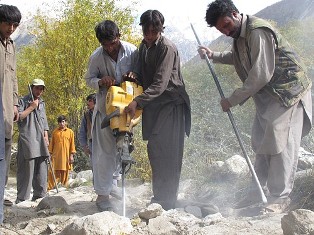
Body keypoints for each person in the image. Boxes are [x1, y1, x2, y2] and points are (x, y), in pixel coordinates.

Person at [197, 0, 312, 212]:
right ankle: (257, 193)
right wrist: (213, 56)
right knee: (261, 142)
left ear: (235, 14)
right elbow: (239, 57)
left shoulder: (257, 31)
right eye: (220, 29)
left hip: (287, 93)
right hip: (269, 97)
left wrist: (231, 100)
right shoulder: (240, 35)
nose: (225, 31)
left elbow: (260, 74)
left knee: (280, 145)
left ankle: (279, 198)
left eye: (226, 25)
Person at [124, 10, 191, 210]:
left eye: (155, 30)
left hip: (172, 104)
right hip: (155, 105)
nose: (150, 34)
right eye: (147, 30)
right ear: (142, 28)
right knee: (155, 150)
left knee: (169, 152)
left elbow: (161, 83)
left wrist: (137, 101)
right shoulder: (143, 47)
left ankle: (168, 200)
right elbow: (145, 76)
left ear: (161, 29)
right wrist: (134, 76)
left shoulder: (167, 48)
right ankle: (160, 197)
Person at [85, 20, 138, 212]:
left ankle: (114, 186)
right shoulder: (96, 57)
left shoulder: (132, 51)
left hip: (128, 111)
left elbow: (142, 73)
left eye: (113, 43)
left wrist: (134, 75)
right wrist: (100, 81)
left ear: (119, 36)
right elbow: (89, 79)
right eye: (105, 44)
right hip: (105, 111)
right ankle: (102, 195)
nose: (109, 48)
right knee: (103, 153)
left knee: (123, 150)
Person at [0, 4, 21, 207]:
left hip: (8, 108)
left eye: (14, 25)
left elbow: (13, 76)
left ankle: (1, 192)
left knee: (5, 150)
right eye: (7, 23)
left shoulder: (12, 45)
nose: (11, 28)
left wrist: (15, 103)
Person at [15, 79, 49, 204]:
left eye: (41, 89)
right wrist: (31, 107)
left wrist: (46, 136)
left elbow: (44, 121)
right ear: (32, 88)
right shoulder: (23, 101)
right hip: (28, 137)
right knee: (26, 169)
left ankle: (39, 194)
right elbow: (19, 117)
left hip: (41, 138)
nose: (39, 91)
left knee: (42, 166)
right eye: (37, 88)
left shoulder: (42, 102)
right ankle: (22, 197)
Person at [48, 115, 76, 190]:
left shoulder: (70, 132)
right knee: (52, 172)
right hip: (56, 156)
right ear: (58, 123)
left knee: (65, 172)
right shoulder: (55, 132)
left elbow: (72, 145)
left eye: (63, 121)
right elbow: (51, 145)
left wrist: (71, 155)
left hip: (65, 156)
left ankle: (64, 188)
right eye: (60, 122)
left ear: (66, 122)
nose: (61, 123)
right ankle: (50, 189)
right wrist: (50, 154)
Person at [78, 93, 96, 167]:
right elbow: (82, 132)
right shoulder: (87, 115)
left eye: (90, 101)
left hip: (104, 142)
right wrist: (84, 146)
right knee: (94, 166)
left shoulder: (103, 112)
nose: (88, 103)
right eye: (88, 101)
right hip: (93, 144)